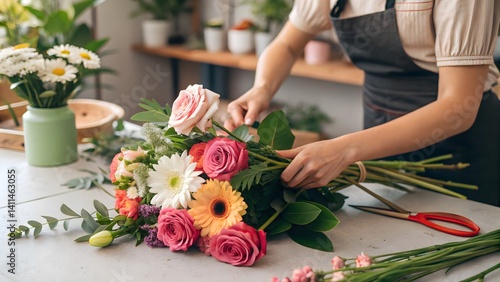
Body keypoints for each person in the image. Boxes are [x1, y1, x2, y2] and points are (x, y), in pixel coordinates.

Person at [224, 0, 500, 206]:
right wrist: (261, 88)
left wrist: (343, 150)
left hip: (459, 155)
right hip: (376, 141)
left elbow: (457, 107)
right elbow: (286, 44)